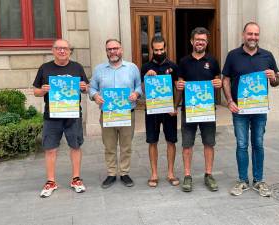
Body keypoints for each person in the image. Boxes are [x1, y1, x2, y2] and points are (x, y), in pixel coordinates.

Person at [222, 22, 279, 197]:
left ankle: (259, 180)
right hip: (239, 110)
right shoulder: (233, 55)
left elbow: (276, 82)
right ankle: (242, 181)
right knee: (241, 144)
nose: (253, 37)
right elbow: (225, 79)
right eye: (250, 34)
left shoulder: (267, 56)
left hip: (259, 110)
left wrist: (274, 76)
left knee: (258, 144)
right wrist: (229, 101)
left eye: (256, 34)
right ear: (243, 35)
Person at [33, 39, 89, 198]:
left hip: (73, 115)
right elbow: (36, 91)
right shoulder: (45, 68)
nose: (62, 51)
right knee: (50, 148)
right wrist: (43, 90)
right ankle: (51, 181)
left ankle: (76, 179)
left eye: (65, 48)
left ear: (70, 51)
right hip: (52, 115)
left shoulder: (77, 67)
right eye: (58, 48)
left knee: (76, 146)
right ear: (53, 50)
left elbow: (86, 87)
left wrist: (84, 87)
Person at [89, 39, 142, 189]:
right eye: (109, 49)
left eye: (115, 48)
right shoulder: (99, 69)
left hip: (127, 113)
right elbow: (91, 88)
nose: (112, 52)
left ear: (121, 50)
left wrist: (136, 94)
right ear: (106, 51)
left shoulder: (132, 68)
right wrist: (95, 96)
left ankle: (124, 173)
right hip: (107, 114)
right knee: (109, 146)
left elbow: (139, 86)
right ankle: (111, 173)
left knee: (126, 145)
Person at [175, 27, 222, 192]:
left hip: (207, 110)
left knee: (209, 143)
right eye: (197, 39)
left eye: (203, 40)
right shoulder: (183, 61)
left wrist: (219, 84)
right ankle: (187, 176)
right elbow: (179, 85)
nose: (200, 42)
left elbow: (218, 82)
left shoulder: (213, 61)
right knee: (187, 144)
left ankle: (208, 174)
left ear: (206, 42)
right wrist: (177, 94)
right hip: (189, 110)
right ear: (191, 41)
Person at [141, 36, 179, 188]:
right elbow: (142, 90)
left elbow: (178, 88)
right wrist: (147, 78)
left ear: (166, 49)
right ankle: (154, 174)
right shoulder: (145, 67)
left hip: (169, 111)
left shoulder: (173, 66)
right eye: (156, 50)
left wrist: (175, 107)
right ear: (152, 49)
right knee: (152, 141)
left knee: (171, 141)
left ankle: (170, 173)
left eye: (161, 49)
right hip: (152, 110)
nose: (158, 52)